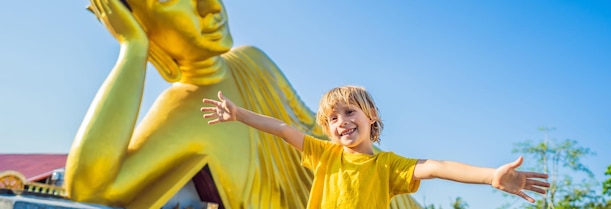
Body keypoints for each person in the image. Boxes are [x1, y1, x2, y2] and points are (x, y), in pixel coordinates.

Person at [65, 0, 420, 208]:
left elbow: (312, 133)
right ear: (142, 23)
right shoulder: (187, 107)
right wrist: (133, 49)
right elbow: (88, 189)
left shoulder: (252, 60)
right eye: (174, 0)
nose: (209, 7)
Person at [201, 85, 551, 208]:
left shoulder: (389, 166)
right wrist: (238, 113)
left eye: (349, 112)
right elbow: (280, 128)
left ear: (371, 117)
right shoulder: (323, 153)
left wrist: (491, 175)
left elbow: (437, 166)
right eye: (333, 119)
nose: (342, 123)